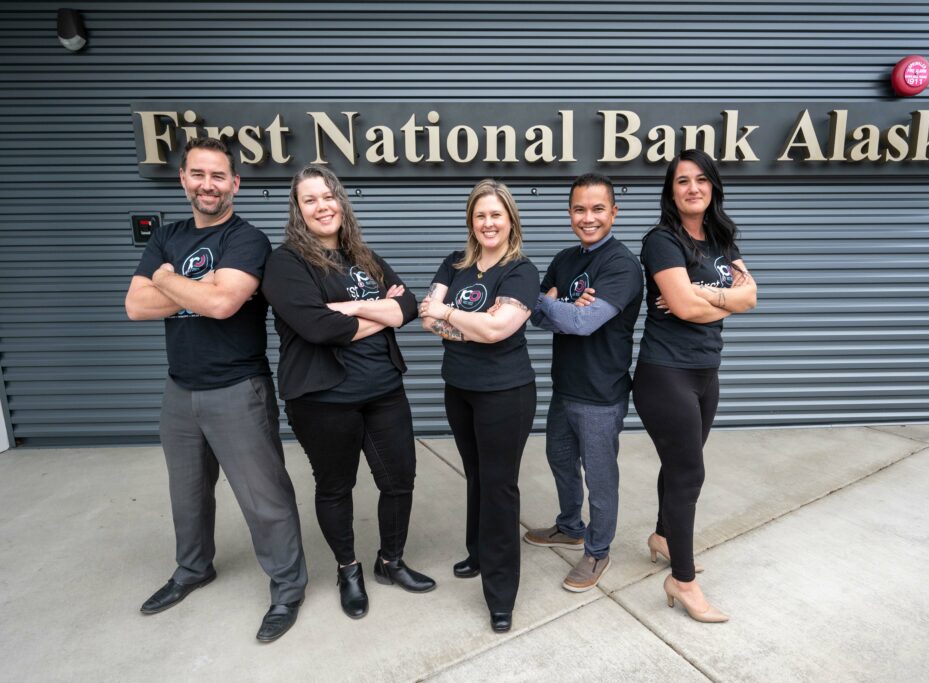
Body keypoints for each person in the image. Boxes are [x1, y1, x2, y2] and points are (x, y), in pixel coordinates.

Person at [125, 136, 307, 643]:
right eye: (198, 174)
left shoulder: (246, 240)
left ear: (235, 184)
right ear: (184, 179)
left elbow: (225, 305)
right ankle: (192, 569)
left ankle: (288, 588)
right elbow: (135, 306)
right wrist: (193, 291)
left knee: (264, 497)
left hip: (237, 388)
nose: (208, 185)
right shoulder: (168, 236)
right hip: (179, 390)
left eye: (218, 176)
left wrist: (166, 279)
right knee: (186, 496)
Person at [261, 166, 436, 620]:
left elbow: (410, 305)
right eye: (310, 200)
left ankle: (390, 561)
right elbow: (318, 328)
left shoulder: (364, 256)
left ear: (341, 201)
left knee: (400, 480)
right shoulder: (286, 263)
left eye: (328, 196)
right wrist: (383, 311)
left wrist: (354, 308)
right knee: (336, 487)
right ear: (298, 211)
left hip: (384, 390)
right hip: (323, 399)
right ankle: (349, 570)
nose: (322, 206)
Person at [633, 148, 757, 623]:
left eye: (702, 179)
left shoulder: (722, 239)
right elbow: (684, 309)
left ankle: (663, 537)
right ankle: (682, 581)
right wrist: (720, 300)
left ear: (713, 187)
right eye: (682, 181)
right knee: (690, 473)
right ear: (671, 190)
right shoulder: (661, 242)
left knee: (679, 463)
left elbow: (753, 295)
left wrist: (706, 294)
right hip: (665, 373)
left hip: (707, 372)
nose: (693, 188)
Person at [418, 179, 539, 633]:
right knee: (476, 476)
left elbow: (496, 330)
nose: (488, 223)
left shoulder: (521, 271)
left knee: (499, 485)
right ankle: (480, 551)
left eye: (496, 214)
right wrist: (466, 321)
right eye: (480, 215)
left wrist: (450, 314)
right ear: (471, 220)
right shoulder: (455, 262)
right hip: (460, 388)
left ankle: (501, 593)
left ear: (510, 219)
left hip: (505, 393)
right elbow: (425, 316)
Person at [523, 173, 643, 592]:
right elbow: (535, 316)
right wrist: (558, 308)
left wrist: (560, 307)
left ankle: (598, 550)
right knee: (559, 459)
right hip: (565, 386)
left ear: (614, 212)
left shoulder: (621, 264)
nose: (587, 217)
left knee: (600, 475)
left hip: (601, 392)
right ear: (570, 213)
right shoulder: (565, 259)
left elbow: (583, 323)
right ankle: (570, 526)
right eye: (579, 209)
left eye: (597, 209)